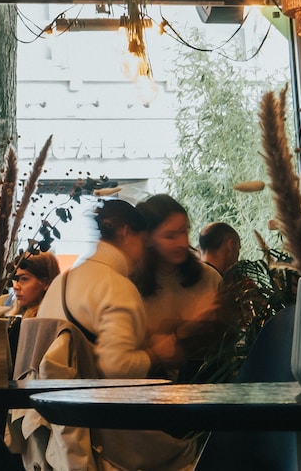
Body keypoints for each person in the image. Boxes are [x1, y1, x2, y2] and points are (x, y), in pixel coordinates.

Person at [35, 200, 195, 471]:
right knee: (192, 449)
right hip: (104, 440)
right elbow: (116, 367)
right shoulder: (117, 287)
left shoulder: (61, 282)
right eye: (143, 241)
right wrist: (156, 353)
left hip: (55, 435)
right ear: (126, 234)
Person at [134, 194, 222, 378]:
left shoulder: (208, 277)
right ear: (147, 238)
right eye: (170, 236)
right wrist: (186, 329)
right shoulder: (129, 285)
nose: (183, 243)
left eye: (185, 232)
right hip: (146, 394)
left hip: (204, 389)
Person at [8, 252, 60, 318]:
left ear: (46, 283)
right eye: (15, 279)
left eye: (24, 279)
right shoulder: (15, 316)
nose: (15, 286)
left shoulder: (47, 321)